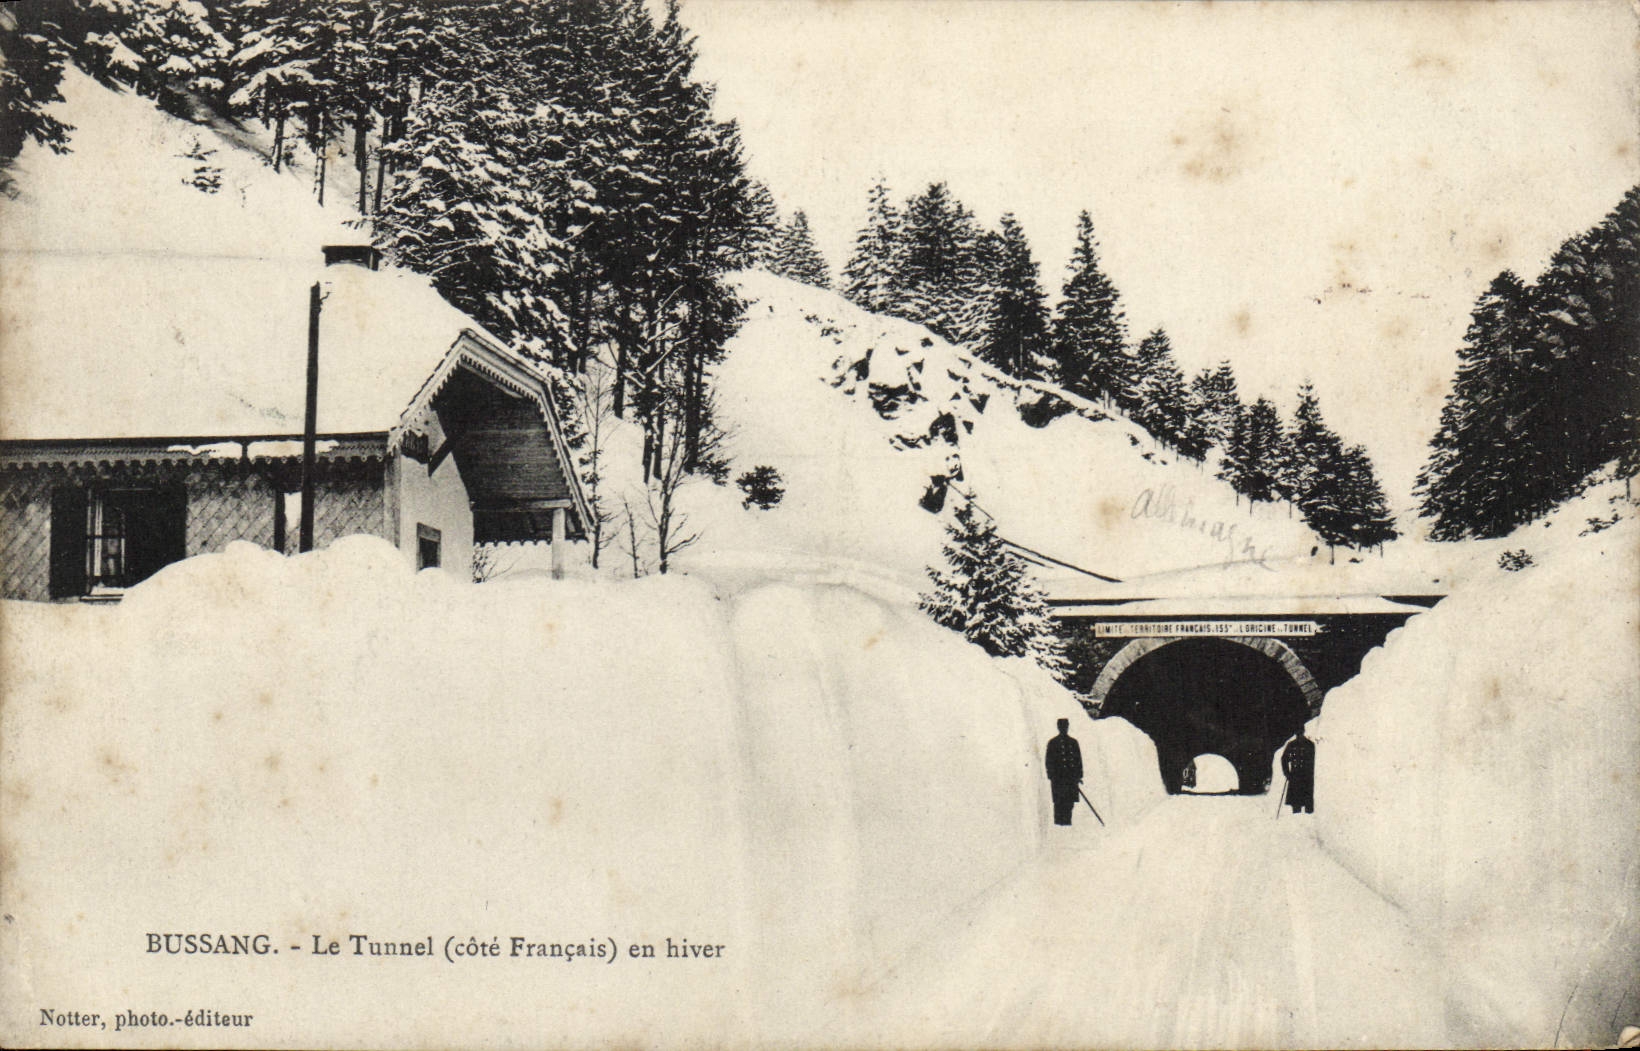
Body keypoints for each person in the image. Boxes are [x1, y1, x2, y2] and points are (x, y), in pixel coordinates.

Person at [1044, 718, 1083, 826]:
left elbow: (1078, 760)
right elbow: (1049, 761)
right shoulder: (1053, 743)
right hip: (1059, 780)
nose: (1064, 728)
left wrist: (1079, 776)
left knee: (1069, 803)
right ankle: (1058, 825)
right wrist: (1051, 775)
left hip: (1071, 779)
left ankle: (1067, 824)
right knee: (1059, 803)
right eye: (1062, 726)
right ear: (1058, 727)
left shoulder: (1073, 742)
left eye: (1065, 726)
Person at [1281, 730, 1316, 814]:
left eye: (1300, 733)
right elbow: (1284, 759)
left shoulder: (1310, 745)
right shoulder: (1291, 744)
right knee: (1296, 805)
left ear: (1303, 732)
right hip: (1295, 777)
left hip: (1306, 778)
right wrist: (1287, 774)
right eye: (1297, 734)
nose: (1299, 736)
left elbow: (1312, 762)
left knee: (1307, 805)